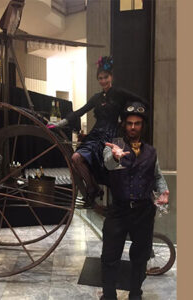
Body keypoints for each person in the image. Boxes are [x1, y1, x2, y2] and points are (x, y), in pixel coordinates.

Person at [48, 56, 148, 207]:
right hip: (95, 134)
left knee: (111, 169)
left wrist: (130, 118)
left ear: (111, 77)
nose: (103, 81)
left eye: (105, 77)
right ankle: (93, 188)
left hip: (111, 135)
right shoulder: (96, 98)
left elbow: (141, 101)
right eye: (100, 78)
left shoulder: (119, 93)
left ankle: (98, 193)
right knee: (76, 158)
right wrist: (60, 123)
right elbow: (79, 112)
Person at [100, 101, 169, 300]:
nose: (132, 127)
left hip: (143, 212)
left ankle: (135, 294)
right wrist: (115, 157)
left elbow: (157, 176)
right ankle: (109, 295)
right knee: (110, 256)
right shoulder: (114, 146)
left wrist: (163, 191)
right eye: (129, 123)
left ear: (142, 126)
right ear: (124, 125)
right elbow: (108, 165)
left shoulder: (151, 152)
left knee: (140, 258)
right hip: (119, 211)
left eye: (137, 123)